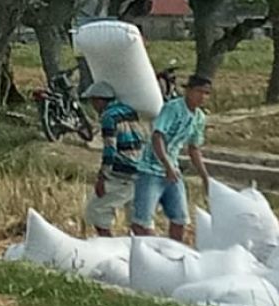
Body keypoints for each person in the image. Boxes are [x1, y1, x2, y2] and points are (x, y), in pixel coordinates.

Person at [131, 75, 212, 241]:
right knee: (142, 221)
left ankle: (174, 253)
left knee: (180, 218)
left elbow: (194, 148)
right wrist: (166, 164)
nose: (202, 97)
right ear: (188, 91)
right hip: (151, 169)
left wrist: (205, 176)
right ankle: (150, 251)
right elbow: (157, 136)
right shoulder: (173, 108)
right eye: (199, 91)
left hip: (172, 171)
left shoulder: (199, 117)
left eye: (206, 93)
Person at [82, 81, 144, 237]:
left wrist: (102, 176)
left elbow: (110, 149)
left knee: (97, 210)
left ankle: (108, 243)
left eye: (93, 101)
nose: (93, 106)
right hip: (140, 168)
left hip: (122, 170)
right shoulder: (129, 110)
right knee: (136, 217)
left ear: (100, 100)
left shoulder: (108, 117)